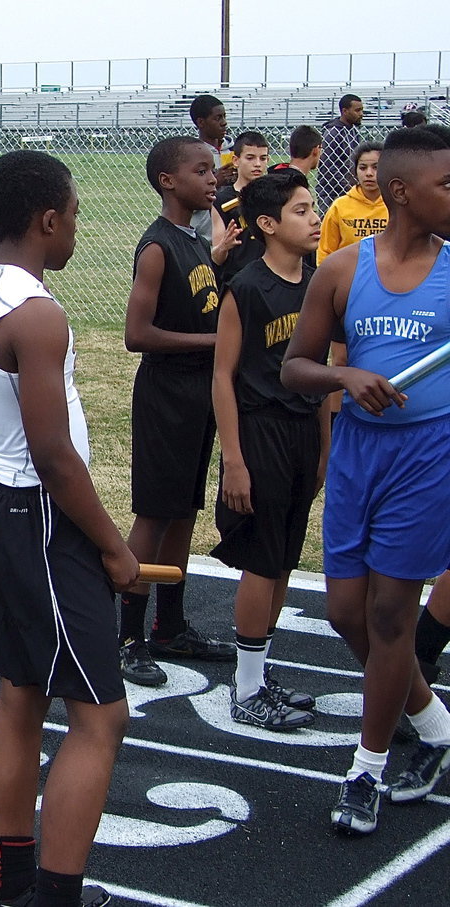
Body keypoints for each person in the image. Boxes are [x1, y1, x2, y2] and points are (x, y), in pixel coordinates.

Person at [0, 149, 135, 907]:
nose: (78, 230)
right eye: (77, 217)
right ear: (48, 219)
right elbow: (55, 457)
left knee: (20, 694)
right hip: (39, 519)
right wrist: (116, 549)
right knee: (100, 716)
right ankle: (55, 895)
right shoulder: (37, 313)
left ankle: (14, 881)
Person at [281, 126, 450, 835]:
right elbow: (294, 367)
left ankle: (367, 770)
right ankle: (435, 723)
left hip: (429, 455)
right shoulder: (344, 268)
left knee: (390, 617)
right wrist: (345, 374)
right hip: (357, 452)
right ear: (404, 192)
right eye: (447, 184)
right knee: (349, 612)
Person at [210, 168, 328, 731]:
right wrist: (233, 459)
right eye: (302, 211)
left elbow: (324, 373)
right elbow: (223, 377)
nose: (315, 218)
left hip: (304, 431)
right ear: (266, 224)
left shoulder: (319, 282)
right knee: (261, 558)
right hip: (261, 432)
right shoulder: (248, 286)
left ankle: (261, 671)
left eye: (314, 207)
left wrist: (324, 445)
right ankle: (247, 687)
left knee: (283, 556)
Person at [119, 136, 235, 688]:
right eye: (201, 170)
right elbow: (135, 334)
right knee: (154, 513)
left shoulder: (195, 240)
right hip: (166, 395)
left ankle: (171, 625)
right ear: (168, 180)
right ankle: (127, 636)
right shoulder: (158, 246)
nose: (213, 178)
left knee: (185, 510)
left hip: (197, 396)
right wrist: (210, 343)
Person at [211, 130, 271, 288]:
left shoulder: (273, 198)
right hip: (236, 281)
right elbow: (216, 257)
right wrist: (224, 246)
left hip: (269, 279)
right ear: (236, 160)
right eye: (250, 158)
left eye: (263, 158)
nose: (257, 164)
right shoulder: (222, 201)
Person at [317, 142, 387, 264]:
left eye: (376, 167)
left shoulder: (396, 206)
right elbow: (325, 251)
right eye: (363, 167)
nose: (369, 173)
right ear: (355, 170)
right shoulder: (340, 207)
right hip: (348, 278)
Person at [188, 94, 236, 242]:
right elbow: (185, 197)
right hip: (204, 235)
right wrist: (216, 181)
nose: (224, 123)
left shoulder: (235, 150)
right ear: (201, 122)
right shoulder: (190, 154)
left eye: (224, 117)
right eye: (217, 118)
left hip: (233, 231)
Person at [315, 93, 364, 211]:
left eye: (362, 110)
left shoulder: (353, 131)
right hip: (330, 193)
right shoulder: (333, 133)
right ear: (345, 111)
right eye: (357, 110)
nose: (361, 114)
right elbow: (328, 166)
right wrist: (347, 186)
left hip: (349, 191)